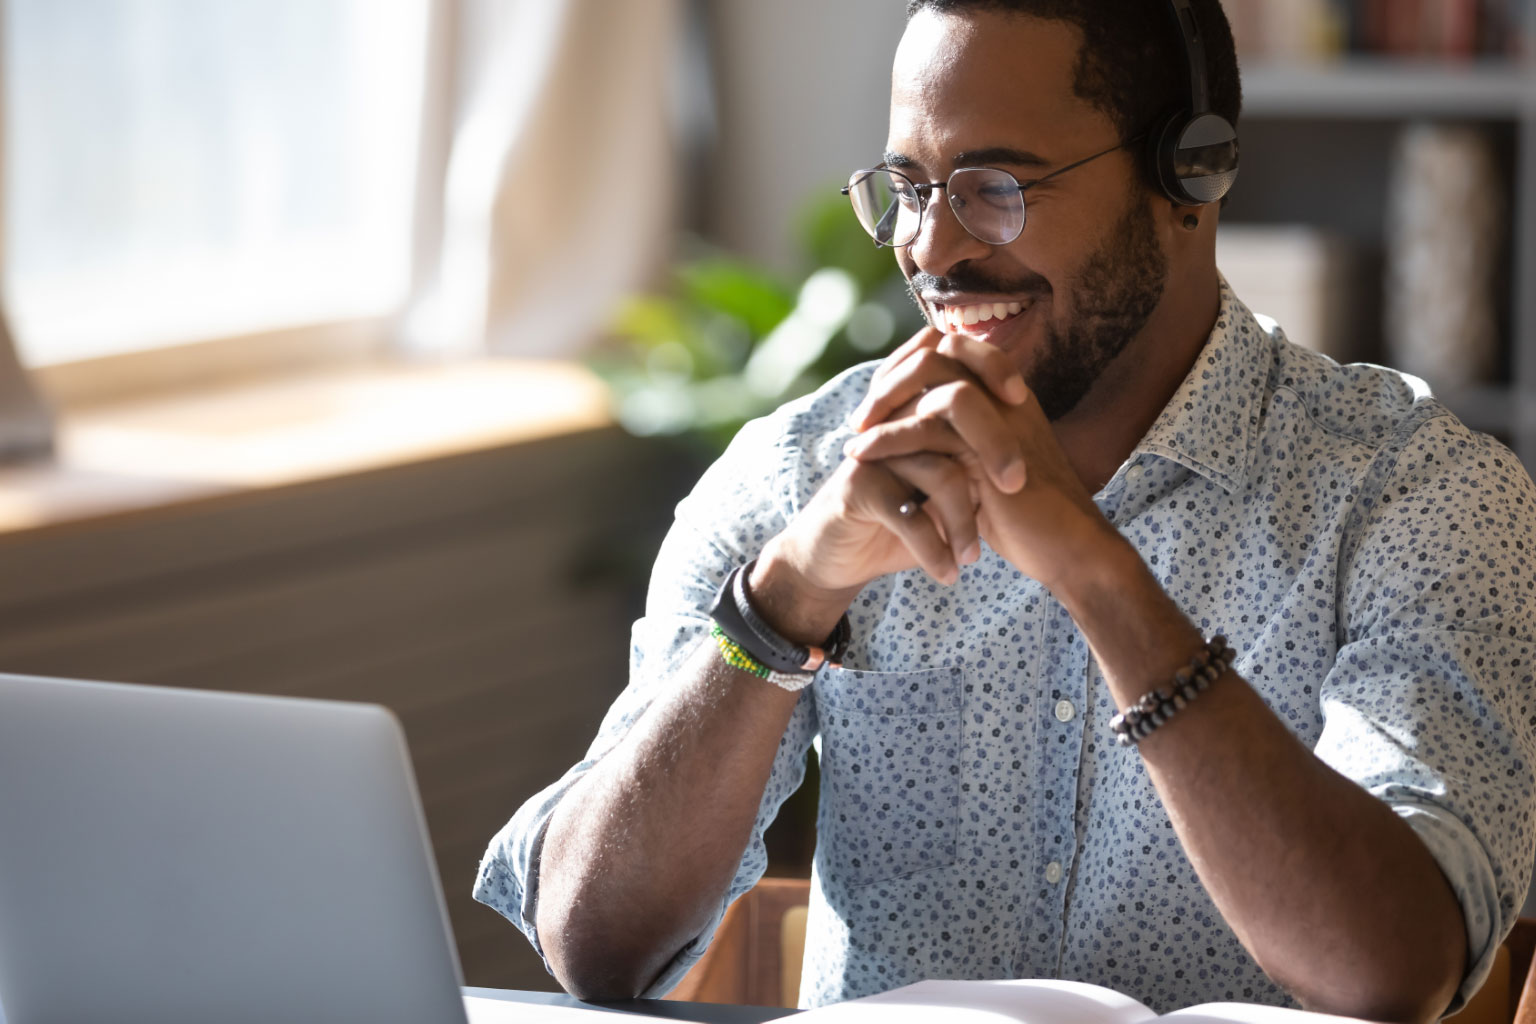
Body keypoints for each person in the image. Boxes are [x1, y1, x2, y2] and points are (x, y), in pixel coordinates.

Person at [475, 2, 1536, 1020]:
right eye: (908, 187)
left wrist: (1099, 575)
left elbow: (1394, 965)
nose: (931, 251)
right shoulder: (800, 473)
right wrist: (785, 601)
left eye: (994, 186)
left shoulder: (1418, 495)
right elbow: (593, 945)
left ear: (1191, 175)